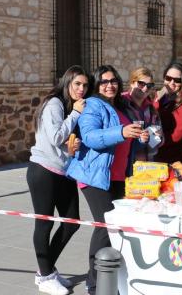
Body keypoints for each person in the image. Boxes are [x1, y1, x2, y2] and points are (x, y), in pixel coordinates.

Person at [66, 65, 147, 295]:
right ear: (96, 84)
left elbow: (126, 136)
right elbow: (91, 137)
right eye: (103, 81)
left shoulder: (119, 105)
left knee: (113, 226)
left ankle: (112, 278)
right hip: (94, 175)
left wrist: (139, 135)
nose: (109, 85)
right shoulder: (93, 105)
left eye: (113, 81)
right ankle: (94, 283)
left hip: (118, 176)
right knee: (104, 226)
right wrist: (121, 132)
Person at [28, 65, 90, 295]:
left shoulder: (69, 106)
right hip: (43, 170)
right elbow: (55, 137)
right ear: (67, 83)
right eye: (77, 84)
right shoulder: (54, 103)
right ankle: (45, 276)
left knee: (71, 221)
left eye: (84, 85)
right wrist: (75, 113)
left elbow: (65, 141)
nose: (81, 89)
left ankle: (45, 271)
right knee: (44, 223)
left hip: (64, 171)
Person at [153, 62, 182, 167]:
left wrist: (152, 142)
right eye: (168, 78)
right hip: (158, 155)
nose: (172, 83)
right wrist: (157, 100)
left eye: (177, 80)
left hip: (176, 160)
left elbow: (176, 136)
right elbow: (152, 119)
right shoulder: (161, 97)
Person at [122, 67, 163, 166]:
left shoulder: (151, 108)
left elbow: (158, 142)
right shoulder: (121, 103)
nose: (145, 88)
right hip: (125, 164)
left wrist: (158, 137)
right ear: (132, 83)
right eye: (141, 84)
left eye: (149, 85)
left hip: (146, 165)